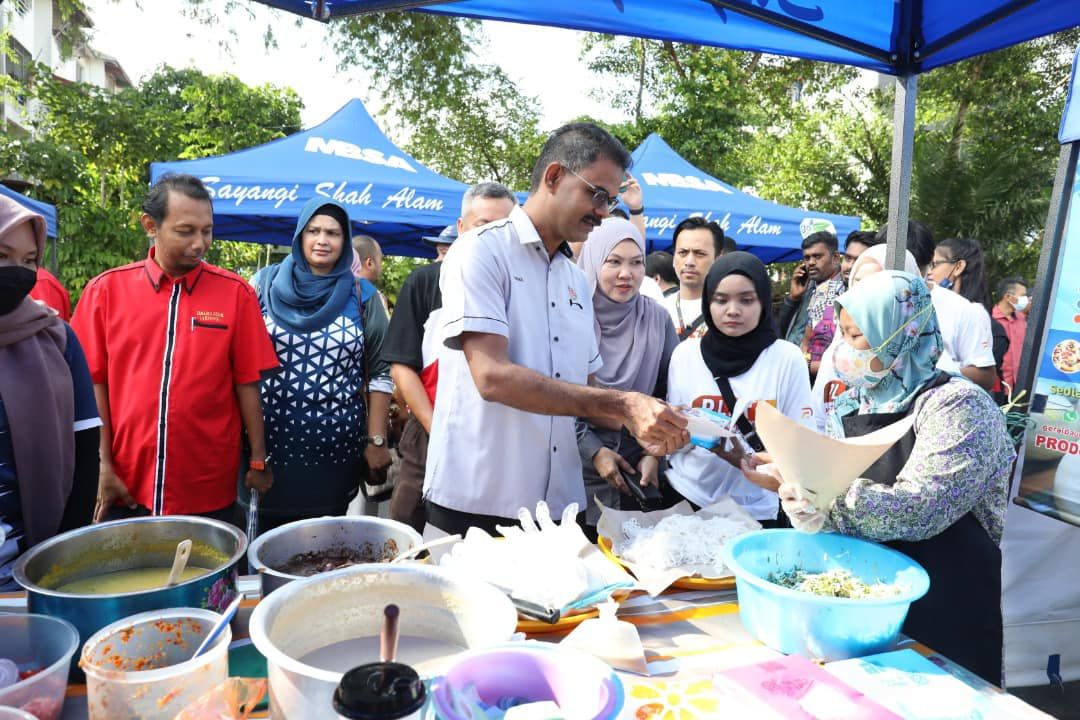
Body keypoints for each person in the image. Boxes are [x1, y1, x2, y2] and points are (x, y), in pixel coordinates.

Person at [423, 122, 688, 536]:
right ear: (554, 176)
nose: (604, 211)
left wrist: (653, 424)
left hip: (561, 507)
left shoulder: (576, 279)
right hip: (479, 500)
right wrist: (623, 404)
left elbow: (585, 391)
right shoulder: (480, 250)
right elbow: (491, 376)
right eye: (597, 195)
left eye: (610, 200)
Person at [757, 271, 1014, 685]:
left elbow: (921, 509)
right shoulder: (852, 404)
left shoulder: (959, 406)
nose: (843, 350)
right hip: (865, 606)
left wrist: (823, 495)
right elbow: (833, 491)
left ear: (901, 335)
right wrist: (802, 496)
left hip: (945, 607)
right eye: (841, 335)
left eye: (856, 337)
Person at [71, 174, 279, 522]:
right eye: (186, 231)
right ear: (150, 226)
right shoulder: (105, 292)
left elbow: (247, 383)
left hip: (206, 485)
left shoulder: (235, 294)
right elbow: (93, 385)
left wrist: (258, 458)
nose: (199, 243)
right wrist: (102, 464)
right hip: (124, 485)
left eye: (207, 231)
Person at [241, 197, 394, 531]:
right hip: (264, 452)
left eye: (333, 233)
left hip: (333, 456)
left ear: (345, 240)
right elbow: (240, 362)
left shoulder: (363, 296)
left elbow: (381, 373)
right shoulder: (262, 284)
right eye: (313, 231)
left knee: (324, 547)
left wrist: (376, 441)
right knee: (261, 545)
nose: (322, 240)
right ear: (300, 235)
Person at [385, 182, 517, 533]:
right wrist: (437, 428)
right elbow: (401, 365)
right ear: (461, 227)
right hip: (431, 428)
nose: (491, 237)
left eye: (502, 228)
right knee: (411, 530)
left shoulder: (523, 286)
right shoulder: (427, 281)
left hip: (500, 436)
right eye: (482, 225)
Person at [663, 252, 817, 523]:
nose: (732, 310)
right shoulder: (685, 355)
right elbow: (676, 432)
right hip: (687, 496)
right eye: (721, 300)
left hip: (758, 508)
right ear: (707, 302)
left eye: (746, 300)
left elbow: (804, 441)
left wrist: (745, 458)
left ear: (763, 302)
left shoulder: (786, 358)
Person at [0, 196, 100, 590]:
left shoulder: (55, 337)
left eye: (28, 261)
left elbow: (85, 446)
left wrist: (61, 561)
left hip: (27, 569)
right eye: (3, 255)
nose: (16, 272)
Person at [575, 218, 679, 530]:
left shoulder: (657, 319)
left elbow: (669, 392)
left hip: (639, 471)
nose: (626, 273)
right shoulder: (571, 316)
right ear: (594, 261)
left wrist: (655, 455)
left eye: (636, 263)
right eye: (614, 262)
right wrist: (594, 451)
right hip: (574, 469)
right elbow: (552, 395)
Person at [812, 244, 920, 415]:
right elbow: (818, 417)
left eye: (875, 284)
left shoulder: (940, 393)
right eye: (858, 282)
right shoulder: (839, 350)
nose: (863, 294)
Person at [925, 237, 997, 391]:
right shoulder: (926, 301)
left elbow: (986, 376)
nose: (929, 271)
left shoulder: (972, 311)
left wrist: (939, 372)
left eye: (934, 264)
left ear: (958, 267)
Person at [662, 217, 725, 341]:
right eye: (683, 253)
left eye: (700, 253)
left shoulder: (729, 312)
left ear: (718, 259)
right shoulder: (657, 310)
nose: (689, 262)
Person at [778, 231, 842, 350]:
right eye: (807, 258)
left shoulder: (845, 291)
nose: (811, 262)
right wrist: (793, 298)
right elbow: (781, 330)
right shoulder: (807, 286)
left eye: (817, 256)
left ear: (835, 258)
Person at [991, 276, 1028, 394]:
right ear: (1008, 297)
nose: (1025, 300)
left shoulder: (1022, 320)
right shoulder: (989, 320)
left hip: (1019, 386)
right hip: (996, 386)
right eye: (1022, 296)